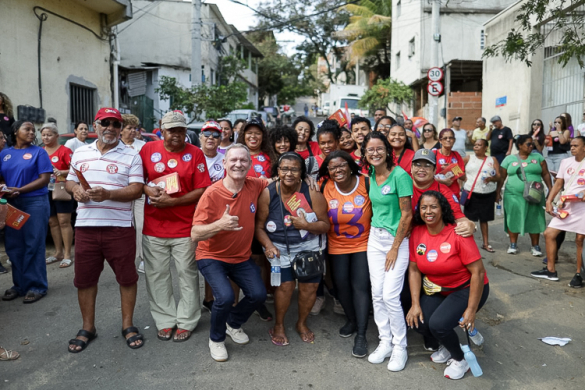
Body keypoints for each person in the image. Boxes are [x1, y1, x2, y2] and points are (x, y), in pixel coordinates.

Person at [65, 107, 144, 352]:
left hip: (119, 228)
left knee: (127, 278)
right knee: (85, 280)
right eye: (105, 123)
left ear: (120, 129)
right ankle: (88, 327)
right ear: (95, 125)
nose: (110, 128)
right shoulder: (80, 153)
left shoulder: (131, 155)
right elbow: (69, 180)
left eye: (115, 124)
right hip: (86, 227)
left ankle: (127, 325)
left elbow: (137, 189)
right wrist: (74, 190)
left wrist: (108, 194)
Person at [191, 144, 268, 362]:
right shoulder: (212, 193)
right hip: (211, 256)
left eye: (243, 160)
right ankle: (216, 339)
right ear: (224, 163)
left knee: (258, 295)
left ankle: (233, 323)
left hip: (241, 257)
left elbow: (276, 181)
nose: (238, 164)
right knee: (224, 297)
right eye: (233, 160)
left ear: (250, 165)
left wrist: (306, 181)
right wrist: (219, 224)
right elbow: (195, 234)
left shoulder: (254, 184)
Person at [140, 110, 210, 342]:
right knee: (157, 276)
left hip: (185, 228)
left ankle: (187, 320)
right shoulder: (147, 150)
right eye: (172, 130)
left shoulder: (196, 154)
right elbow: (136, 181)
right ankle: (165, 320)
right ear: (162, 129)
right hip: (154, 227)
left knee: (187, 275)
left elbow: (202, 189)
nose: (177, 135)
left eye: (181, 129)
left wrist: (174, 201)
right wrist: (147, 188)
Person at [406, 191, 489, 380]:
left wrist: (471, 309)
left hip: (466, 288)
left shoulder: (457, 232)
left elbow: (478, 272)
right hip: (438, 289)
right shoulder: (417, 232)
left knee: (439, 325)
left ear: (442, 209)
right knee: (418, 321)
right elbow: (414, 270)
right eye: (424, 207)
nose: (429, 211)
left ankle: (460, 359)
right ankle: (447, 344)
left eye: (434, 206)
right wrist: (415, 303)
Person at [255, 152, 330, 346]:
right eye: (285, 169)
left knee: (309, 288)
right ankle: (279, 325)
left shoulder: (312, 192)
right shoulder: (268, 192)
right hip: (279, 247)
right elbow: (259, 227)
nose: (289, 173)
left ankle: (301, 323)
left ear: (301, 173)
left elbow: (325, 225)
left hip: (309, 245)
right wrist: (269, 245)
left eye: (294, 169)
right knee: (285, 287)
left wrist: (306, 225)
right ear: (278, 171)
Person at [361, 132, 413, 372]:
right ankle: (385, 342)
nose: (375, 153)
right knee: (377, 294)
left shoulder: (400, 175)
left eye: (379, 148)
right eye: (370, 150)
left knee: (391, 296)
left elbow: (407, 214)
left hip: (397, 241)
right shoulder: (370, 174)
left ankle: (400, 346)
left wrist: (394, 247)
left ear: (388, 150)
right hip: (375, 238)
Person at [318, 151, 372, 357]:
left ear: (350, 166)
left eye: (341, 165)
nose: (337, 170)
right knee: (340, 287)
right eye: (332, 167)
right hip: (336, 245)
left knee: (360, 287)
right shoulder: (325, 187)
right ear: (328, 171)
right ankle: (351, 319)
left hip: (363, 245)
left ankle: (361, 334)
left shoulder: (366, 183)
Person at [0, 121, 52, 303]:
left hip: (35, 202)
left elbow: (45, 179)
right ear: (15, 132)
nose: (31, 132)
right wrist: (4, 189)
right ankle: (19, 285)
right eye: (27, 129)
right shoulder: (5, 153)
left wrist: (20, 190)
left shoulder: (39, 152)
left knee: (33, 244)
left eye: (32, 130)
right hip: (12, 203)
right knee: (14, 245)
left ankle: (36, 286)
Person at [531, 136, 585, 286]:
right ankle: (550, 270)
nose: (572, 148)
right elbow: (559, 182)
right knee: (549, 233)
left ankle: (579, 274)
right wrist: (549, 200)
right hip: (566, 206)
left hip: (583, 208)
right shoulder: (565, 162)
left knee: (580, 240)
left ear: (584, 147)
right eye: (571, 145)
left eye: (576, 145)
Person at [496, 135, 552, 256]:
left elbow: (546, 174)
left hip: (535, 194)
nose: (531, 146)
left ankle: (535, 246)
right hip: (513, 195)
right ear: (520, 145)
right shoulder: (509, 159)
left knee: (535, 217)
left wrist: (550, 190)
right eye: (528, 144)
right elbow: (501, 177)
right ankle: (513, 244)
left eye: (532, 144)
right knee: (513, 217)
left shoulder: (538, 157)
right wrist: (497, 192)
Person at [41, 122, 75, 268]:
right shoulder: (40, 151)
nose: (46, 138)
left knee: (63, 221)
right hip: (45, 189)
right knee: (52, 222)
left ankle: (67, 254)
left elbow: (75, 168)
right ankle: (58, 252)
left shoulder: (65, 150)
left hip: (62, 188)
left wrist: (62, 172)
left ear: (56, 135)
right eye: (43, 135)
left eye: (49, 135)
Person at [462, 139, 501, 252]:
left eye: (480, 145)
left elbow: (499, 177)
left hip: (487, 193)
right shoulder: (469, 158)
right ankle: (467, 244)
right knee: (469, 219)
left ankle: (485, 243)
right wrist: (463, 178)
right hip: (471, 192)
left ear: (485, 148)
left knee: (484, 219)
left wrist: (491, 178)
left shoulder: (492, 159)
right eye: (475, 145)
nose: (476, 147)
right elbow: (456, 168)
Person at [120, 114, 147, 273]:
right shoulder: (115, 145)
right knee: (125, 226)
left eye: (134, 128)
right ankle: (126, 256)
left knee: (141, 225)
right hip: (121, 192)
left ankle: (144, 258)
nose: (132, 131)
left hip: (140, 190)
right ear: (121, 130)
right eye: (129, 128)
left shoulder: (142, 145)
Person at [434, 129, 466, 197]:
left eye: (451, 138)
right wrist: (443, 182)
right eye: (445, 138)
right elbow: (428, 176)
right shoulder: (434, 154)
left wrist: (452, 168)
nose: (448, 140)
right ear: (440, 140)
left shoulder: (456, 155)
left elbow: (463, 177)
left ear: (454, 140)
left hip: (454, 194)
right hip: (437, 193)